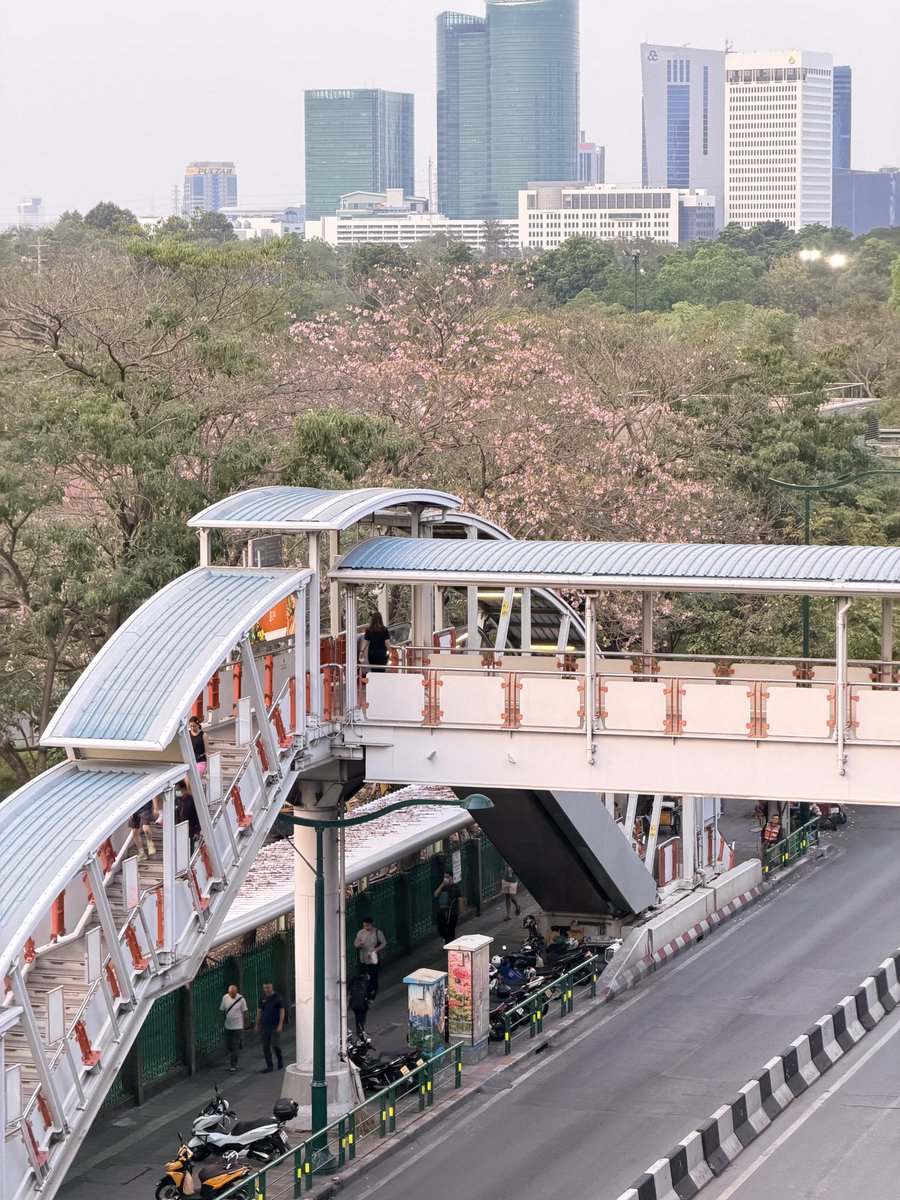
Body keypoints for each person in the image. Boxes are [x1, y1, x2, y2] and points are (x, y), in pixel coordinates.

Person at [353, 918, 386, 1002]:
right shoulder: (360, 933)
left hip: (373, 959)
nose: (366, 927)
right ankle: (364, 993)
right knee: (362, 977)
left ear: (371, 924)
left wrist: (376, 949)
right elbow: (356, 943)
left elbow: (384, 943)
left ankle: (372, 995)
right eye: (364, 925)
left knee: (373, 977)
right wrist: (359, 945)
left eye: (367, 925)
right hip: (363, 959)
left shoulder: (377, 932)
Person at [256, 982, 284, 1073]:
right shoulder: (262, 998)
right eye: (265, 988)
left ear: (272, 987)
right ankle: (269, 1066)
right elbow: (259, 1011)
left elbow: (282, 1011)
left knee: (275, 1044)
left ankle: (279, 1059)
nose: (266, 990)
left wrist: (280, 1024)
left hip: (274, 1026)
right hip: (264, 1026)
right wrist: (257, 1023)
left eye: (268, 988)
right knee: (265, 1047)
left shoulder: (277, 998)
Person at [220, 983, 248, 1072]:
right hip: (228, 1026)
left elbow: (245, 1012)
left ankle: (233, 1064)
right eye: (231, 994)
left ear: (236, 992)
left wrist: (245, 1024)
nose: (232, 995)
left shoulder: (241, 999)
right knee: (229, 1045)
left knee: (235, 1046)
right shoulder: (225, 998)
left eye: (234, 993)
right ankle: (235, 1049)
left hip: (237, 1026)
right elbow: (222, 1010)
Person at [434, 871, 461, 943]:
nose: (446, 879)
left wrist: (461, 910)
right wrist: (442, 885)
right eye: (445, 877)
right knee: (441, 928)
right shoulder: (443, 887)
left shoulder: (456, 887)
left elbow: (460, 899)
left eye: (447, 877)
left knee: (450, 929)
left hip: (452, 912)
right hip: (442, 912)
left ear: (451, 877)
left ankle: (450, 943)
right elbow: (435, 894)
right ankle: (447, 939)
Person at [347, 970, 370, 1040]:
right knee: (362, 1019)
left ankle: (359, 1031)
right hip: (363, 1004)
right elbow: (370, 991)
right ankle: (361, 1031)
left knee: (357, 1018)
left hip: (355, 1004)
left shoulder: (353, 981)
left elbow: (349, 992)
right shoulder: (365, 982)